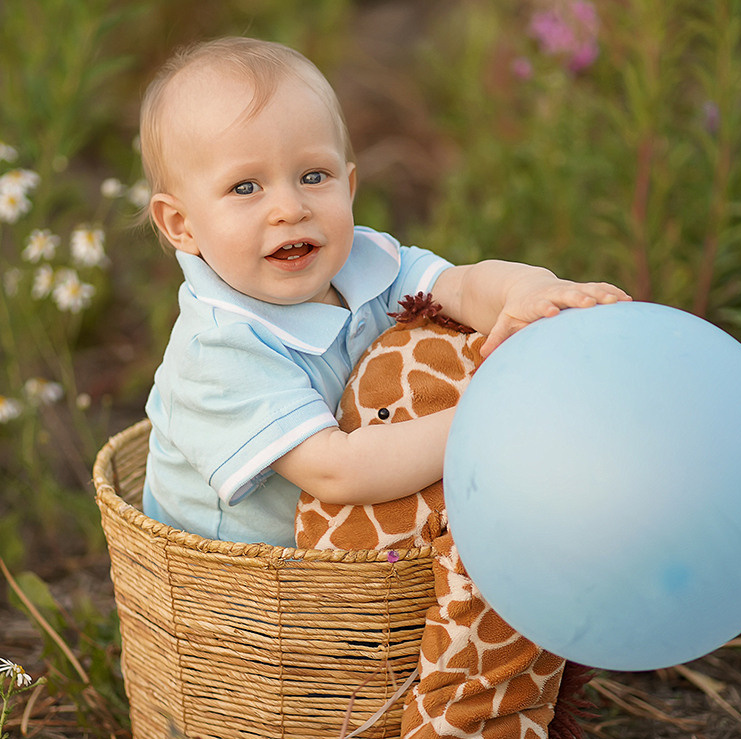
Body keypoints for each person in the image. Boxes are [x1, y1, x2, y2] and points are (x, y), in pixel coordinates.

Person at [139, 37, 629, 547]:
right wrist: (490, 417)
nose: (289, 207)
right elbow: (336, 471)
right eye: (246, 188)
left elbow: (459, 286)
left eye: (313, 176)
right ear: (182, 225)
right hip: (252, 573)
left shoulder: (365, 261)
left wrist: (526, 291)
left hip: (359, 528)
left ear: (348, 188)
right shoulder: (217, 349)